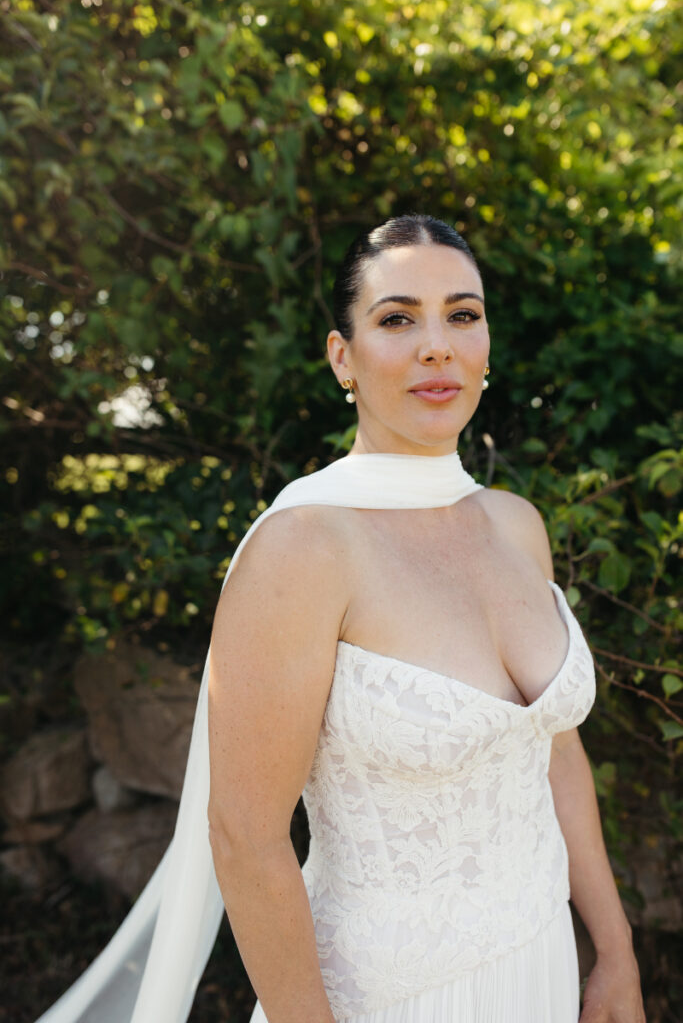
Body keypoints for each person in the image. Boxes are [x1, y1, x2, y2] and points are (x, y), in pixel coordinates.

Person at [35, 215, 645, 1023]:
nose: (436, 344)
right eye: (397, 319)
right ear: (341, 356)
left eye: (461, 314)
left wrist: (613, 952)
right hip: (384, 999)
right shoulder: (304, 550)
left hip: (535, 971)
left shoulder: (514, 524)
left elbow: (551, 757)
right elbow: (244, 837)